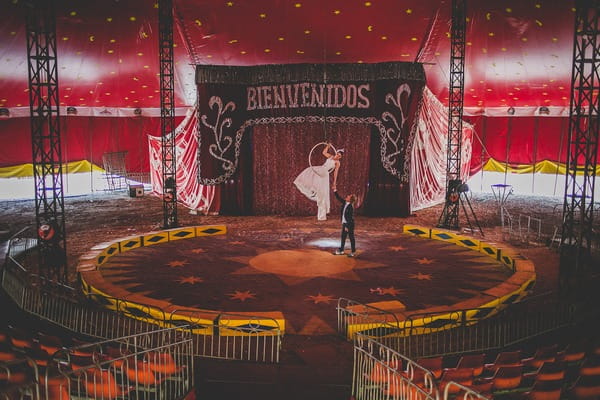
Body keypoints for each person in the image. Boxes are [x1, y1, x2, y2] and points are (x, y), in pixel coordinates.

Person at [293, 143, 343, 221]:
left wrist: (334, 183)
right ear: (336, 153)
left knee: (322, 193)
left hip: (325, 173)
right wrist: (328, 146)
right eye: (338, 155)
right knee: (310, 170)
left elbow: (335, 173)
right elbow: (324, 152)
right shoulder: (331, 156)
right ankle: (310, 188)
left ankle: (322, 215)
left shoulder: (338, 163)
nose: (338, 157)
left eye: (340, 156)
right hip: (321, 170)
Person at [332, 186, 357, 257]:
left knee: (351, 238)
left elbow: (350, 218)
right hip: (345, 223)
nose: (347, 196)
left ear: (350, 200)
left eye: (349, 196)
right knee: (343, 237)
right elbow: (338, 198)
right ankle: (341, 250)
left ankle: (353, 251)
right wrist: (335, 190)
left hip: (349, 224)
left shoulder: (350, 207)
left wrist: (347, 226)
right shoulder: (345, 203)